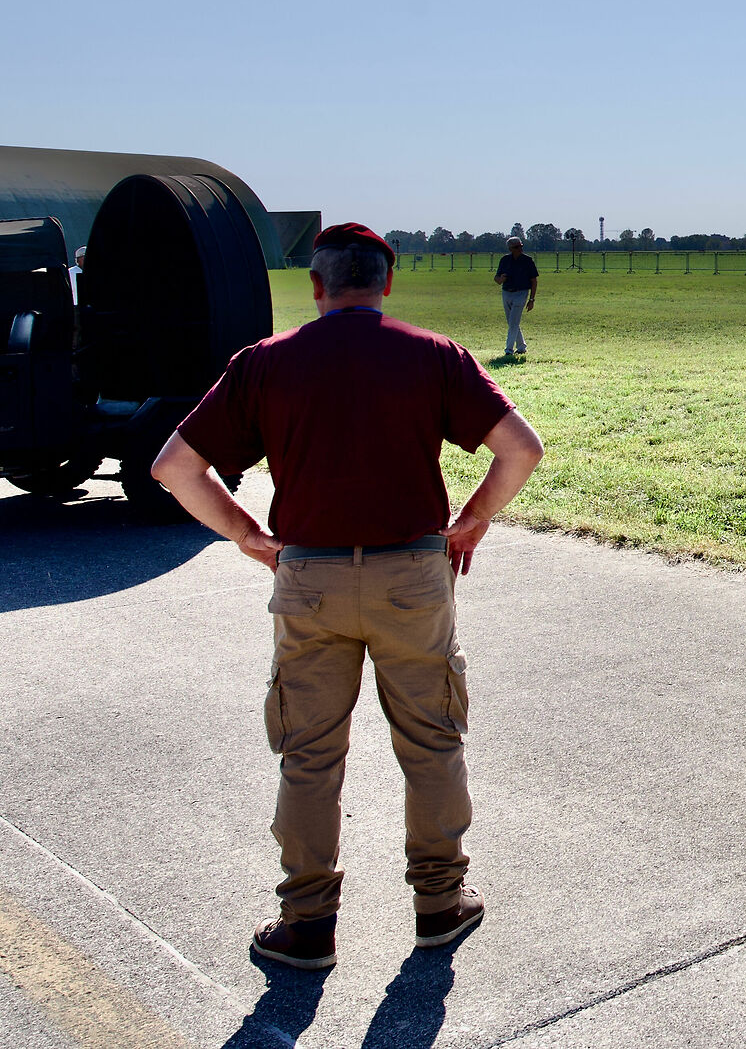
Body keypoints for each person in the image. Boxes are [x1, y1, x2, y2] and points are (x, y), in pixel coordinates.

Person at [151, 223, 544, 971]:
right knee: (431, 742)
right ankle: (438, 902)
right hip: (413, 577)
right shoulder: (434, 354)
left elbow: (175, 466)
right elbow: (521, 448)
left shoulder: (264, 362)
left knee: (310, 754)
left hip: (310, 578)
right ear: (387, 285)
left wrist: (246, 534)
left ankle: (306, 923)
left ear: (317, 287)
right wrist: (470, 522)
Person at [492, 237, 539, 362]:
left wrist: (532, 299)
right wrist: (501, 279)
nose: (520, 249)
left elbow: (534, 281)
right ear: (510, 249)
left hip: (521, 293)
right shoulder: (505, 260)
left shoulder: (528, 261)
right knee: (512, 322)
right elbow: (496, 279)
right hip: (506, 293)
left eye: (521, 246)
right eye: (517, 247)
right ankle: (522, 346)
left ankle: (508, 350)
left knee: (513, 322)